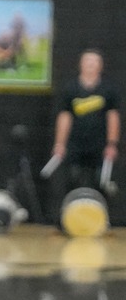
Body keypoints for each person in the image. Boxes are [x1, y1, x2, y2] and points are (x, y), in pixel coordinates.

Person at [49, 49, 120, 218]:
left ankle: (102, 221)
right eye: (87, 61)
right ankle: (67, 220)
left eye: (94, 62)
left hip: (99, 144)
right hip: (75, 143)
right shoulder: (70, 88)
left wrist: (112, 144)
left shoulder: (109, 89)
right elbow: (64, 117)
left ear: (100, 66)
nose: (90, 65)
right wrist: (60, 143)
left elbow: (113, 117)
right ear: (80, 64)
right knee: (71, 181)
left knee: (101, 183)